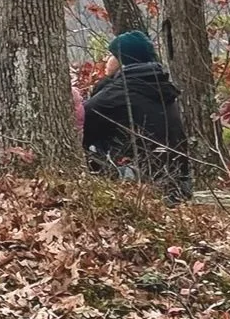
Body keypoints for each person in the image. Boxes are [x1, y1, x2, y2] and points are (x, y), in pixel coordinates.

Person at [82, 30, 193, 201]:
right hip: (177, 183)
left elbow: (81, 122)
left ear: (124, 59)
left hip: (140, 183)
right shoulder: (158, 86)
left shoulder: (122, 90)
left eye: (111, 55)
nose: (106, 60)